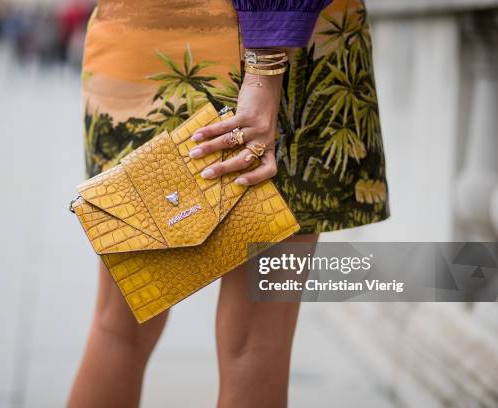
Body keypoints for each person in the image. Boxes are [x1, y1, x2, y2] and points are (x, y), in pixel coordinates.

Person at [69, 0, 389, 407]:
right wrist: (265, 70)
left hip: (137, 32)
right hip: (277, 44)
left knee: (119, 329)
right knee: (256, 345)